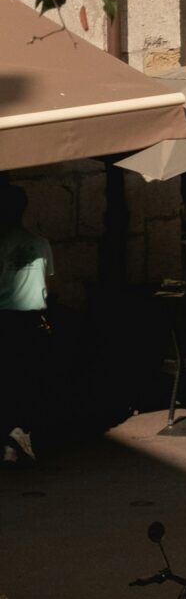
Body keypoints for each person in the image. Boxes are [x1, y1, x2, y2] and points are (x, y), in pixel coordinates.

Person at [0, 183, 53, 464]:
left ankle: (11, 437)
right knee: (29, 380)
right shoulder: (40, 242)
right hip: (32, 320)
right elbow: (46, 284)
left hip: (5, 318)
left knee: (7, 380)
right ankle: (22, 434)